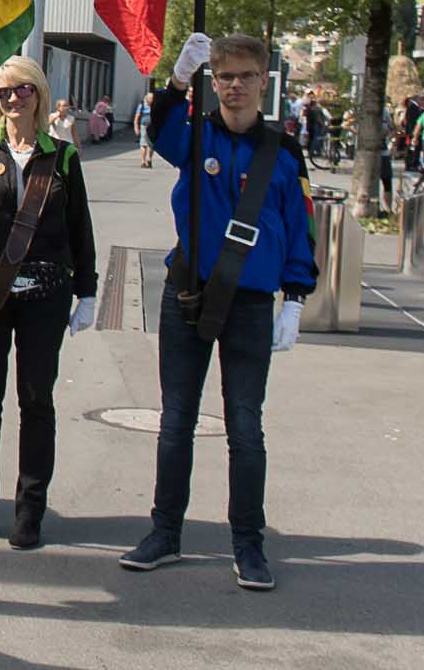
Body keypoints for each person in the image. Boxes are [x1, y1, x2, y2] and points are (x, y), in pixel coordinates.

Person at [120, 31, 317, 591]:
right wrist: (178, 80)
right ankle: (165, 533)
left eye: (244, 76)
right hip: (188, 294)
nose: (233, 86)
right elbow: (158, 131)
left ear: (263, 81)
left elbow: (299, 226)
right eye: (223, 76)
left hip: (251, 302)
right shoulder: (195, 133)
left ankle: (248, 544)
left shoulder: (283, 150)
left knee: (245, 427)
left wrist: (295, 300)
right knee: (175, 421)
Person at [0, 55, 98, 549]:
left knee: (36, 401)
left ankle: (29, 509)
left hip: (45, 295)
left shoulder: (62, 156)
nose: (13, 100)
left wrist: (88, 290)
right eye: (4, 92)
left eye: (23, 90)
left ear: (38, 93)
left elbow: (79, 226)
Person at [135, 91, 156, 168]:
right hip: (144, 126)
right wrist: (136, 127)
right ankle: (143, 161)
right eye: (150, 98)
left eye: (152, 98)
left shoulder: (155, 105)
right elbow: (137, 117)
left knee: (151, 145)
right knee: (143, 144)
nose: (151, 100)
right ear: (147, 98)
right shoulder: (142, 105)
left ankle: (149, 160)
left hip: (153, 126)